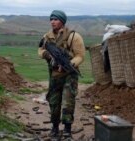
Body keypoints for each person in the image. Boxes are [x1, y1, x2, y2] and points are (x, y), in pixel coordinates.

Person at [38, 10, 85, 139]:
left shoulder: (74, 36)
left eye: (56, 19)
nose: (52, 21)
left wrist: (70, 64)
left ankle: (67, 129)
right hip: (54, 75)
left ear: (62, 21)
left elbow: (80, 55)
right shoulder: (47, 37)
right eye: (51, 19)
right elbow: (40, 49)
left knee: (68, 102)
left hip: (69, 74)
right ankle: (54, 127)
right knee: (54, 102)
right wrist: (47, 55)